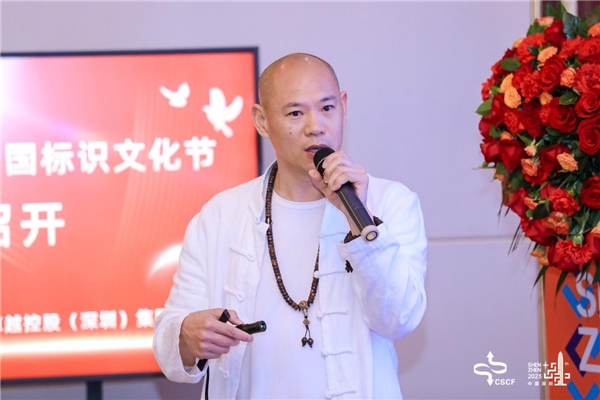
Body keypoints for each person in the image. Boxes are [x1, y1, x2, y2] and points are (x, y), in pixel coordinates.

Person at [153, 53, 428, 399]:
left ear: (344, 107)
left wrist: (362, 224)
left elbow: (399, 318)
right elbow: (170, 343)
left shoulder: (390, 202)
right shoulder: (220, 215)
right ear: (262, 121)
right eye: (296, 113)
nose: (316, 126)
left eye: (327, 108)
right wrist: (187, 335)